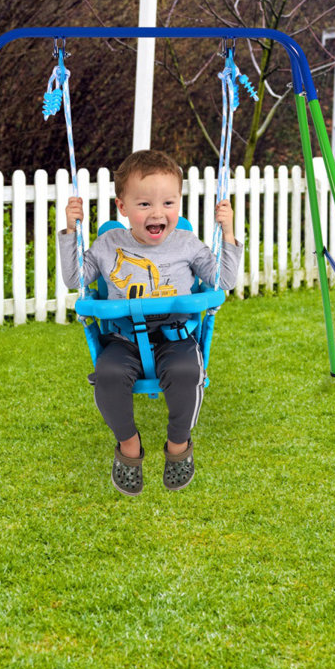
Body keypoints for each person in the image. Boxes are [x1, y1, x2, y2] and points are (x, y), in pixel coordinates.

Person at [59, 150, 243, 496]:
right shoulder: (108, 244)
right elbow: (75, 280)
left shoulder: (187, 243)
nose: (158, 213)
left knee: (187, 375)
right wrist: (72, 229)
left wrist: (228, 231)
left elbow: (224, 280)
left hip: (176, 337)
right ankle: (129, 446)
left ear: (179, 204)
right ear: (122, 207)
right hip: (122, 339)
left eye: (169, 203)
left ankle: (178, 446)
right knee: (108, 377)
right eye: (144, 204)